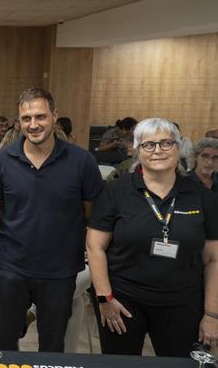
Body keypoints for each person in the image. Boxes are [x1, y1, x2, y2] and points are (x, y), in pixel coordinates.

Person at [87, 118, 218, 356]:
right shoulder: (116, 192)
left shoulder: (202, 197)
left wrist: (211, 314)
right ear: (137, 150)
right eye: (148, 145)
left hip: (183, 306)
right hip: (122, 304)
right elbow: (95, 246)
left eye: (166, 143)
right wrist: (105, 299)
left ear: (179, 148)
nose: (157, 150)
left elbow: (214, 260)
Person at [0, 87, 103, 352]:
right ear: (19, 121)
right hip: (13, 266)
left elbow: (91, 210)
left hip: (60, 270)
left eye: (40, 116)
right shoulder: (2, 161)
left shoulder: (81, 161)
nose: (33, 124)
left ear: (54, 116)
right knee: (5, 338)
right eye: (26, 118)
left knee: (52, 344)